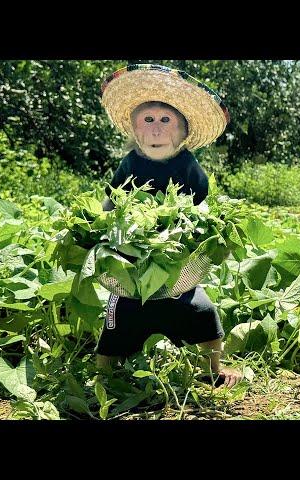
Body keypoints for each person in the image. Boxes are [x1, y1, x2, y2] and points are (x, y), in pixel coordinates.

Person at [96, 64, 242, 388]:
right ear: (135, 129)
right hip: (132, 269)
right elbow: (109, 206)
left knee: (203, 312)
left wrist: (219, 234)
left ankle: (213, 368)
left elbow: (206, 208)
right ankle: (104, 377)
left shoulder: (188, 165)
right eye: (149, 120)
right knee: (117, 320)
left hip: (177, 266)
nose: (157, 130)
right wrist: (95, 230)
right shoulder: (129, 165)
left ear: (183, 131)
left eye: (166, 121)